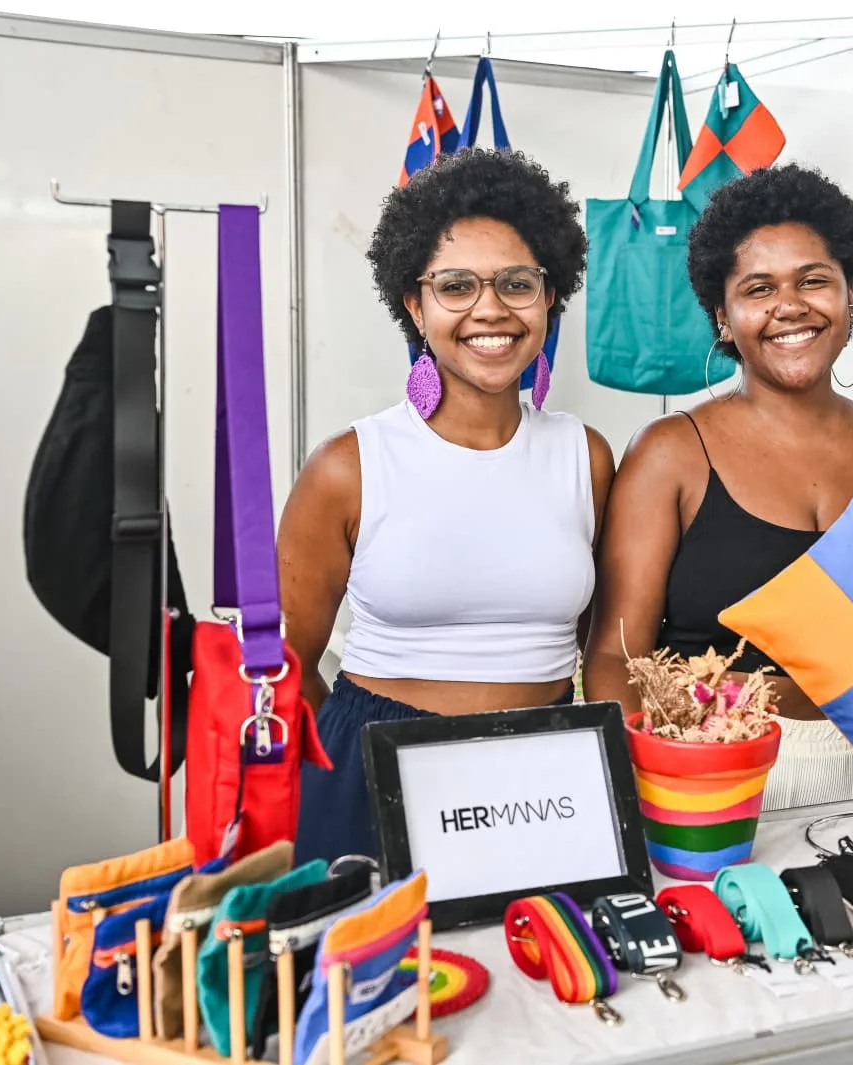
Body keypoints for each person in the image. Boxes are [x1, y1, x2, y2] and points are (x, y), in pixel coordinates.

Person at [584, 164, 853, 814]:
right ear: (723, 317)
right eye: (759, 288)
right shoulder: (671, 453)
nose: (790, 306)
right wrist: (644, 787)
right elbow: (613, 655)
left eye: (813, 280)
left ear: (850, 295)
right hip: (712, 763)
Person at [279, 149, 614, 864]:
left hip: (544, 775)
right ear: (414, 302)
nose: (489, 309)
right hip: (376, 772)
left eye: (517, 284)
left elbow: (597, 641)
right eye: (455, 285)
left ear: (549, 296)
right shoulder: (348, 466)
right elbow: (290, 666)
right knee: (384, 974)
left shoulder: (585, 457)